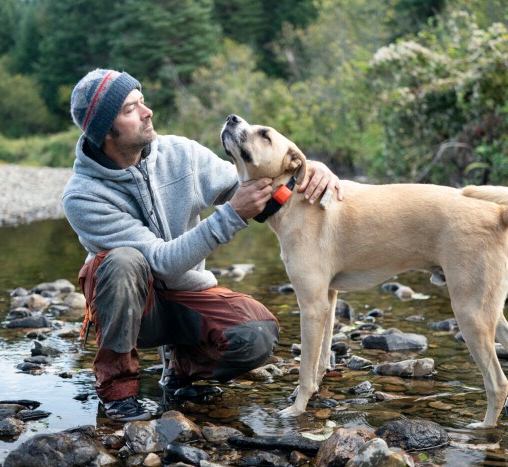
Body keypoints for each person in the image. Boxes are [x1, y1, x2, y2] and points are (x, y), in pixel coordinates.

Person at [63, 68, 342, 422]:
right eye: (131, 109)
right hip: (136, 310)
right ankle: (118, 393)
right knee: (123, 261)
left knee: (258, 335)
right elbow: (160, 262)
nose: (147, 112)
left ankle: (184, 368)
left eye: (143, 101)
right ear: (105, 130)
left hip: (187, 298)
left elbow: (259, 189)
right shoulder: (83, 196)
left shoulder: (182, 153)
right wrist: (232, 215)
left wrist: (306, 171)